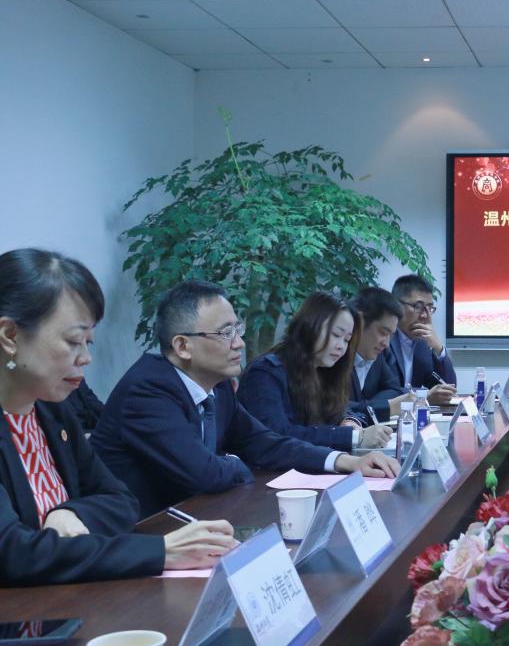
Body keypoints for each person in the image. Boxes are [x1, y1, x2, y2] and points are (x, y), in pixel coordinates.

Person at [0, 249, 235, 585]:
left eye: (88, 342)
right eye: (73, 341)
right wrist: (160, 552)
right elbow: (12, 553)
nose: (86, 358)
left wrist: (71, 511)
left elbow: (121, 499)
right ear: (10, 336)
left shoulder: (51, 409)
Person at [92, 281, 400, 518]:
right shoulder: (148, 390)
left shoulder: (218, 387)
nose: (239, 343)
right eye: (226, 332)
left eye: (237, 329)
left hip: (198, 518)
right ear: (183, 346)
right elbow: (205, 475)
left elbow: (264, 441)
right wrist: (237, 462)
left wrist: (346, 461)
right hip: (145, 532)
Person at [237, 292, 392, 451]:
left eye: (346, 340)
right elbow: (278, 434)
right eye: (336, 335)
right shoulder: (265, 373)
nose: (341, 346)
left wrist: (349, 421)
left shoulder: (322, 369)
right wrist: (354, 437)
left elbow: (342, 409)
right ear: (310, 326)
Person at [345, 287, 408, 423]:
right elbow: (333, 409)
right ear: (359, 322)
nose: (386, 343)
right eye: (383, 332)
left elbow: (394, 389)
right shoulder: (335, 355)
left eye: (390, 335)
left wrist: (367, 406)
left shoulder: (376, 354)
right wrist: (384, 407)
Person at [391, 274, 456, 405]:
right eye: (418, 307)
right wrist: (424, 397)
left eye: (429, 308)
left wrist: (438, 348)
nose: (425, 315)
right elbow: (386, 392)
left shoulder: (423, 344)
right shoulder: (383, 340)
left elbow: (448, 389)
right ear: (397, 306)